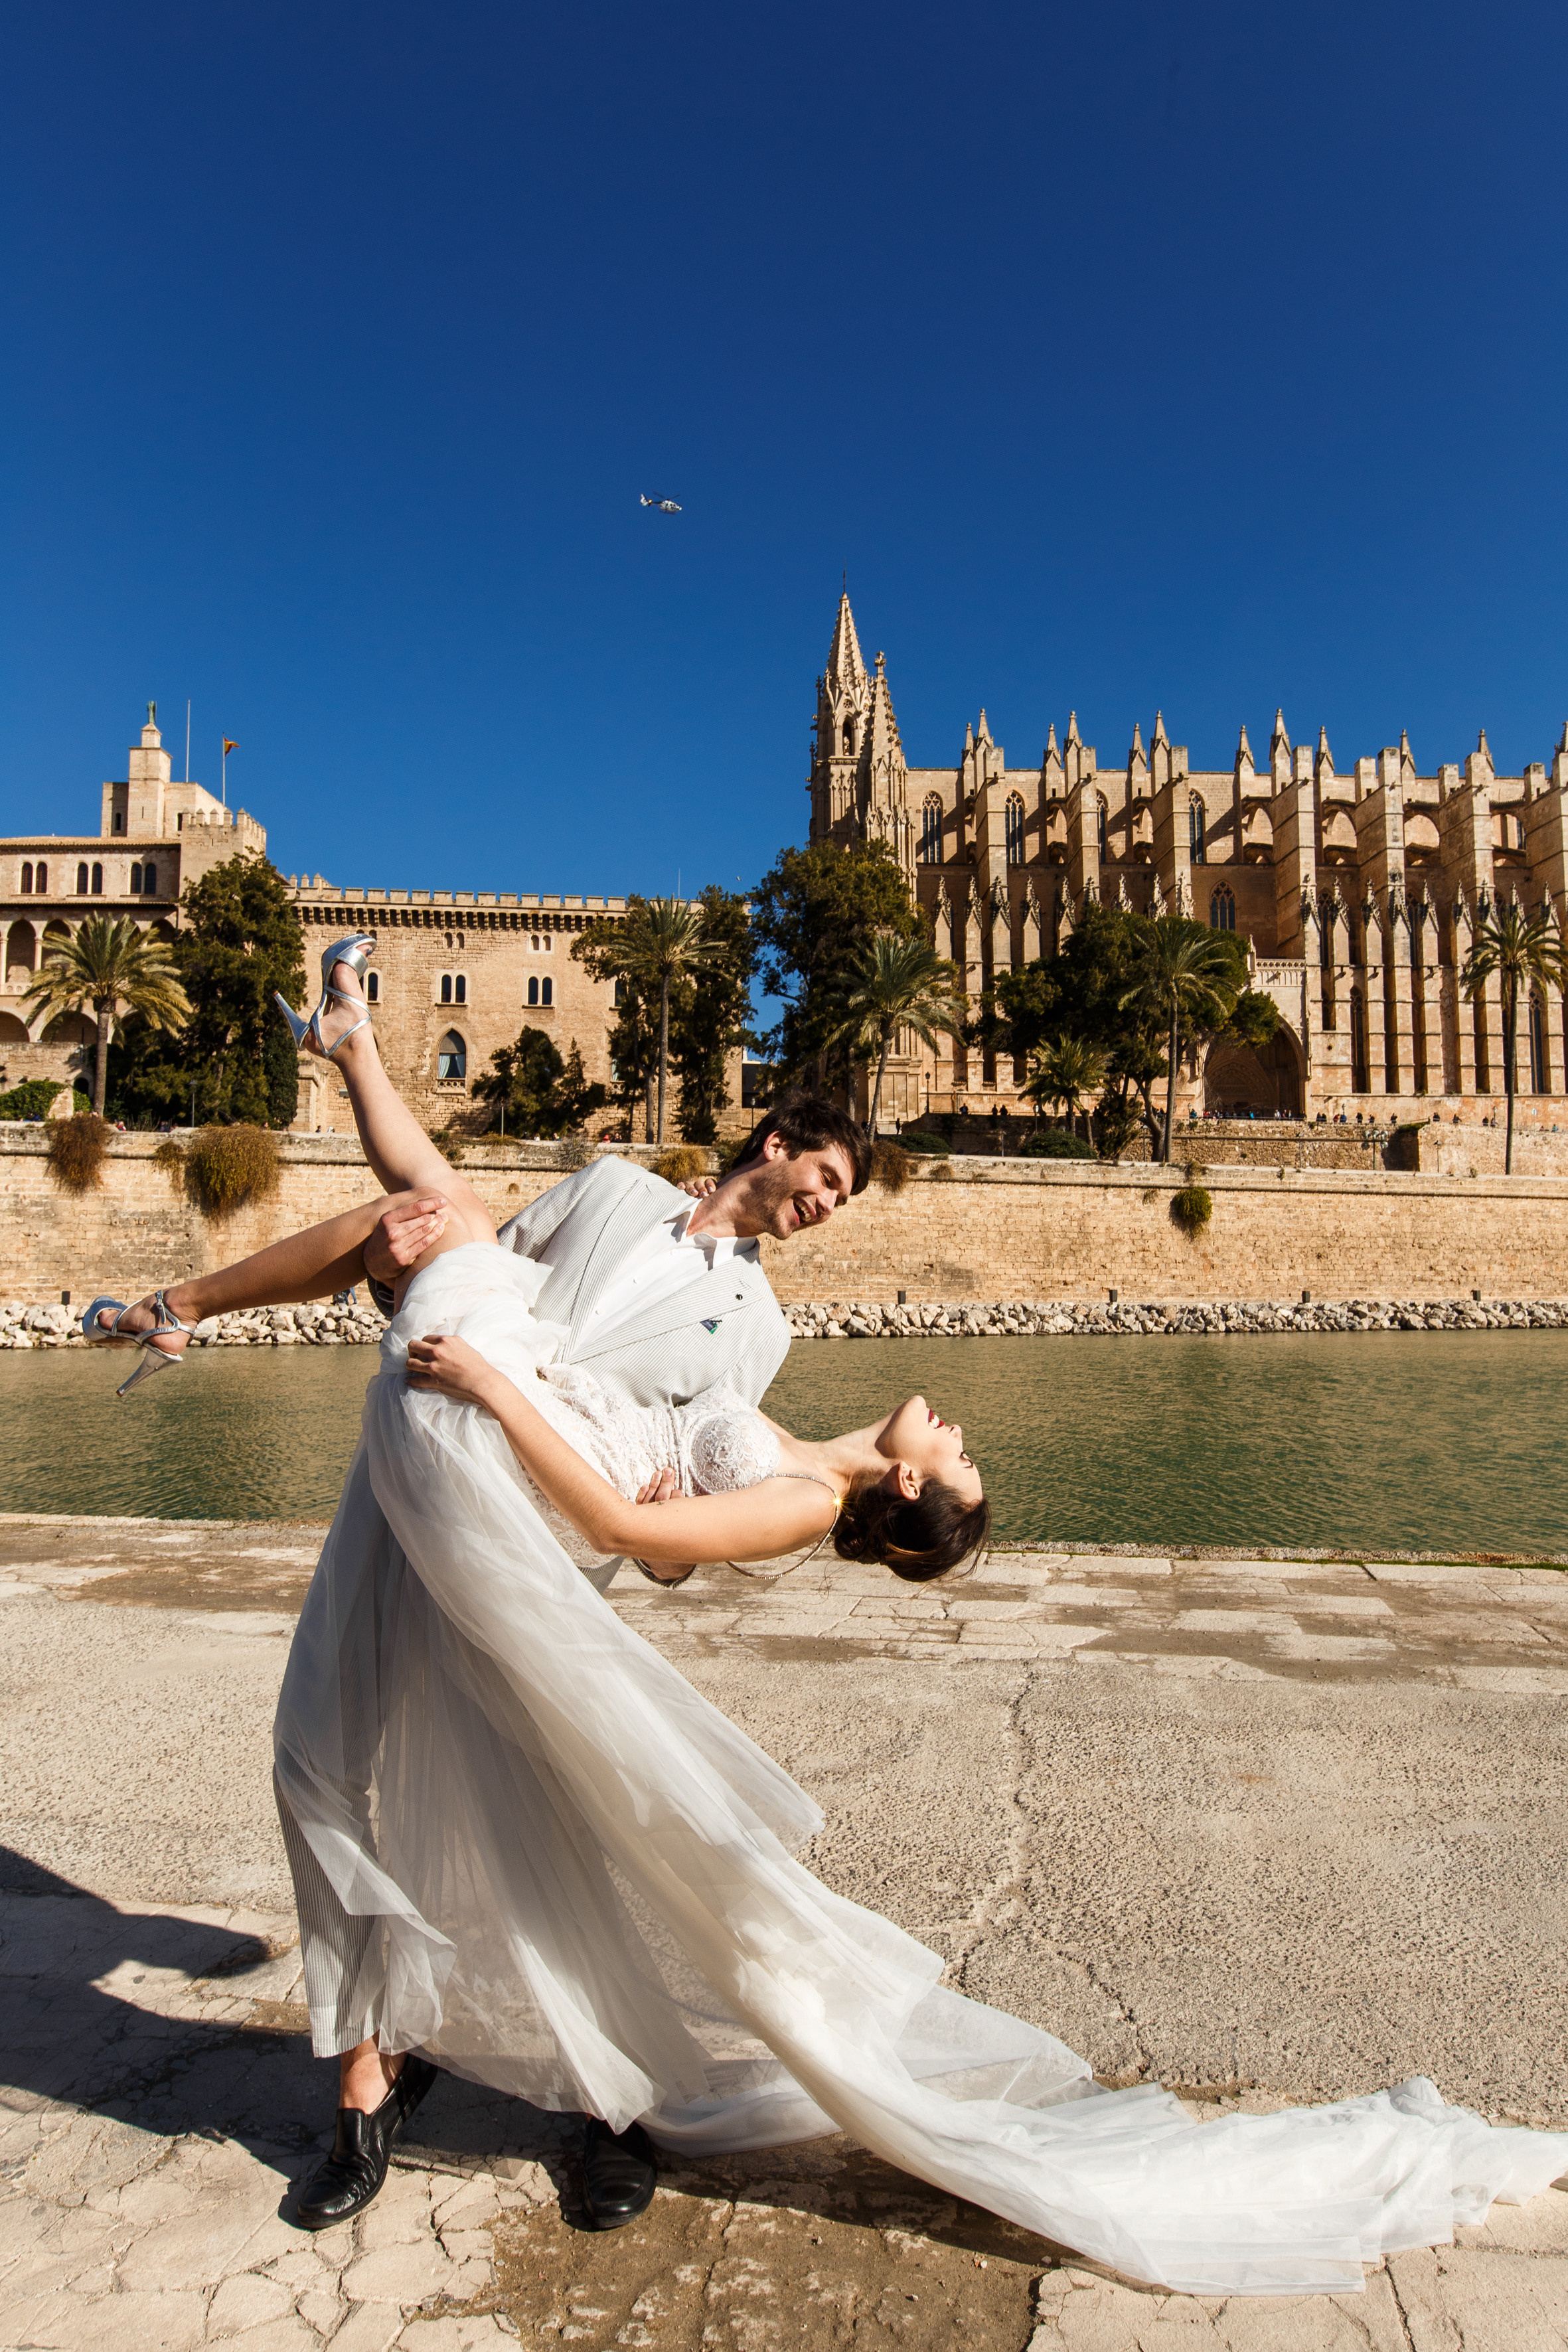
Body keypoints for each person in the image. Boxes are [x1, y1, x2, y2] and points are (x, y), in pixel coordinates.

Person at [88, 939, 1568, 2291]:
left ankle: (583, 2097)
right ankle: (374, 2066)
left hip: (532, 1547)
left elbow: (676, 1519)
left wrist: (659, 1523)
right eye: (827, 1179)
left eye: (844, 1201)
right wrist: (402, 1238)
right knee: (321, 1758)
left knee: (546, 1828)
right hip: (423, 1464)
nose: (826, 1207)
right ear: (776, 1141)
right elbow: (442, 1228)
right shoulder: (604, 1190)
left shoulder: (763, 1328)